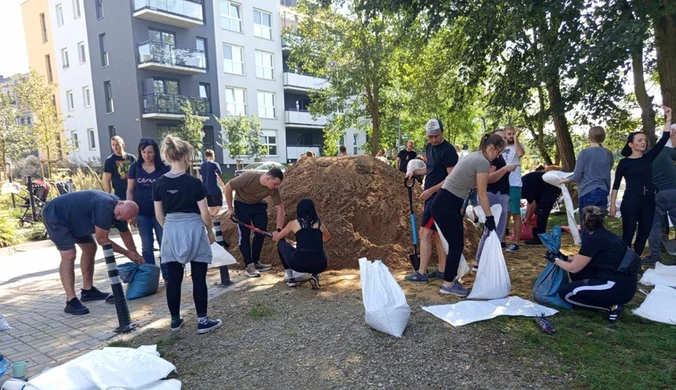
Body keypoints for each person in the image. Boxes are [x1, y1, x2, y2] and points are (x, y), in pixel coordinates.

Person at [153, 135, 222, 334]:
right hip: (194, 228)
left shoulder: (159, 183)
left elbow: (158, 215)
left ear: (167, 155)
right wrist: (209, 232)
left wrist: (170, 228)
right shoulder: (194, 183)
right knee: (199, 277)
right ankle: (202, 320)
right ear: (187, 156)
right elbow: (205, 213)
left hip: (171, 229)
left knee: (173, 279)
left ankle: (175, 320)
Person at [41, 190, 143, 315]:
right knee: (69, 254)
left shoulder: (120, 210)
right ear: (120, 203)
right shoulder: (104, 206)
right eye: (119, 215)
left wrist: (135, 254)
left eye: (122, 218)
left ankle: (88, 291)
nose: (118, 218)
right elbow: (102, 240)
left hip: (75, 219)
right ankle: (71, 300)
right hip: (56, 215)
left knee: (90, 248)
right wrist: (127, 253)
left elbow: (125, 233)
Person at [432, 133, 504, 296]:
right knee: (456, 244)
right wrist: (489, 217)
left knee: (456, 243)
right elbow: (482, 194)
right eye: (498, 152)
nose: (498, 156)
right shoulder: (483, 162)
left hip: (445, 202)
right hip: (446, 204)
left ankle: (450, 281)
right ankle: (448, 284)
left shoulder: (475, 156)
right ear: (491, 148)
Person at [551, 206, 640, 323]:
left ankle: (611, 307)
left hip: (615, 286)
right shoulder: (607, 235)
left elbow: (573, 268)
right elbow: (582, 261)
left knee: (565, 293)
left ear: (583, 222)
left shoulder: (594, 240)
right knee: (579, 275)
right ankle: (598, 299)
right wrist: (565, 258)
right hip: (626, 284)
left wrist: (556, 260)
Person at [610, 106, 672, 256]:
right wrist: (612, 204)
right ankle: (624, 261)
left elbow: (664, 138)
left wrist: (668, 118)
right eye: (640, 140)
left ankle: (635, 260)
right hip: (631, 199)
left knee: (644, 233)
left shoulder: (648, 158)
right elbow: (616, 184)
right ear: (631, 144)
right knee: (628, 232)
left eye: (645, 140)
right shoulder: (624, 163)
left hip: (649, 199)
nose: (644, 142)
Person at [404, 118, 459, 283]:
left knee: (425, 233)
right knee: (435, 234)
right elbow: (430, 168)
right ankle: (442, 270)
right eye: (430, 136)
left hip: (440, 198)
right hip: (432, 197)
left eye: (436, 135)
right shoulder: (430, 148)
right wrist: (415, 171)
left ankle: (421, 273)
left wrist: (431, 190)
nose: (433, 139)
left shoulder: (448, 151)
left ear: (442, 132)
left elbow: (452, 177)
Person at [224, 168, 285, 278]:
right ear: (268, 178)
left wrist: (278, 230)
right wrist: (230, 208)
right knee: (245, 234)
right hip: (242, 205)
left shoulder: (273, 189)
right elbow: (228, 186)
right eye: (275, 184)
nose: (277, 187)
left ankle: (256, 261)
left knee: (261, 232)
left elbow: (280, 209)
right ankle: (249, 265)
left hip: (258, 205)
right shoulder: (249, 177)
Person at [474, 129, 518, 270]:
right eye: (503, 138)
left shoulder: (495, 157)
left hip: (497, 195)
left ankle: (483, 261)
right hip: (494, 195)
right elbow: (489, 178)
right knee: (493, 231)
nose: (505, 140)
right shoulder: (494, 158)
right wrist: (505, 169)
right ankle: (484, 262)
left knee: (493, 231)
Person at [560, 126, 614, 240]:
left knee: (587, 224)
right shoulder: (608, 153)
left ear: (589, 137)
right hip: (603, 191)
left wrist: (565, 180)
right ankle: (599, 250)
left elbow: (577, 174)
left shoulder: (584, 153)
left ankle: (587, 252)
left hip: (588, 191)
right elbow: (604, 170)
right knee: (599, 224)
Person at [127, 138, 170, 280]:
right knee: (146, 245)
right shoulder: (135, 167)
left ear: (155, 153)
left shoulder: (163, 168)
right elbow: (130, 190)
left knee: (164, 242)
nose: (147, 155)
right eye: (144, 152)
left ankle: (167, 274)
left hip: (160, 213)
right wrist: (130, 212)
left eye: (150, 152)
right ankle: (152, 275)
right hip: (141, 212)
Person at [273, 198, 330, 289]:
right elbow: (326, 238)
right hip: (320, 264)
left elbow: (278, 237)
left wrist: (282, 237)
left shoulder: (294, 223)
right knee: (320, 251)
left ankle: (291, 279)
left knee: (280, 243)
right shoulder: (320, 224)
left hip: (298, 263)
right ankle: (314, 275)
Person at [645, 124, 676, 264]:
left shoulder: (640, 159)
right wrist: (672, 138)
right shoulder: (664, 151)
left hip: (656, 194)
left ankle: (655, 255)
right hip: (674, 191)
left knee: (654, 225)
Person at [103, 136, 139, 256]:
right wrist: (108, 197)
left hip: (134, 194)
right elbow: (107, 180)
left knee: (138, 220)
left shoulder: (131, 158)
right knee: (123, 224)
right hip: (119, 196)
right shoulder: (109, 161)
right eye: (113, 144)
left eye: (117, 144)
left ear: (123, 144)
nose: (115, 147)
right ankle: (132, 251)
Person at [521, 166, 563, 245]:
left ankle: (539, 237)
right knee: (538, 212)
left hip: (551, 189)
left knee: (542, 212)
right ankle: (537, 235)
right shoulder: (522, 185)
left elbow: (532, 204)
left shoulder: (523, 188)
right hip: (543, 189)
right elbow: (530, 203)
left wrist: (528, 218)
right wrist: (527, 217)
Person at [501, 126, 526, 252]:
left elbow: (520, 153)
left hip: (514, 183)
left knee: (515, 213)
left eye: (513, 133)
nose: (511, 136)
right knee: (504, 213)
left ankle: (516, 242)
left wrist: (516, 139)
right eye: (509, 134)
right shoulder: (501, 147)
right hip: (502, 183)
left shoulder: (518, 145)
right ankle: (502, 240)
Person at [199, 149, 226, 217]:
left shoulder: (202, 165)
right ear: (213, 155)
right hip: (215, 189)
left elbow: (201, 178)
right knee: (218, 206)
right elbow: (219, 178)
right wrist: (224, 188)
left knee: (211, 207)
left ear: (206, 156)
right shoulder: (215, 165)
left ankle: (211, 224)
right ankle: (211, 217)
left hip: (206, 190)